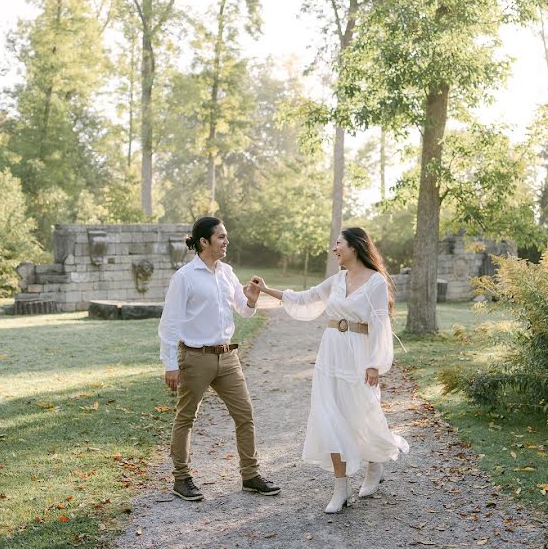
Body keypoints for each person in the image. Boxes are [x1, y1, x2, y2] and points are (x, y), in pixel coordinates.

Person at [251, 227, 408, 513]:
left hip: (359, 356)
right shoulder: (337, 280)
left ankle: (374, 466)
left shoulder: (376, 282)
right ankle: (340, 488)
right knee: (329, 416)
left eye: (338, 244)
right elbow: (304, 298)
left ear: (355, 247)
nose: (334, 248)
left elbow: (380, 324)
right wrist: (266, 289)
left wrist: (375, 364)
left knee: (363, 414)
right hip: (330, 354)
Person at [158, 216, 281, 501]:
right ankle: (182, 479)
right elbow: (169, 324)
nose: (227, 241)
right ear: (204, 242)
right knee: (186, 418)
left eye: (226, 237)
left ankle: (250, 475)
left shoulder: (227, 272)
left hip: (227, 358)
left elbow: (243, 309)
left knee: (245, 415)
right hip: (195, 358)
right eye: (221, 237)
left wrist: (251, 298)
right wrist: (170, 365)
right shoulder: (184, 277)